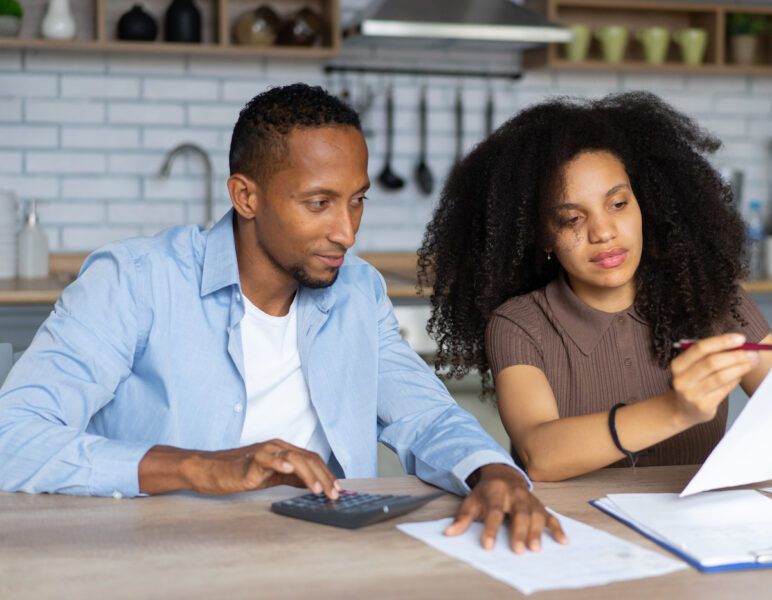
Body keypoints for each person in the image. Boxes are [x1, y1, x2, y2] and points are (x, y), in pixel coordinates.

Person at [0, 83, 566, 553]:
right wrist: (202, 467)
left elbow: (425, 417)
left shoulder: (357, 291)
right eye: (318, 203)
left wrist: (496, 475)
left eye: (357, 200)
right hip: (157, 558)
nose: (346, 231)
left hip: (321, 557)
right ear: (245, 197)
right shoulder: (135, 282)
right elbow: (14, 440)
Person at [418, 92, 772, 481]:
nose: (603, 232)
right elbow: (540, 454)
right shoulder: (520, 325)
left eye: (618, 204)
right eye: (572, 219)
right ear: (542, 237)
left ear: (646, 204)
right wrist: (676, 409)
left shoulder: (715, 303)